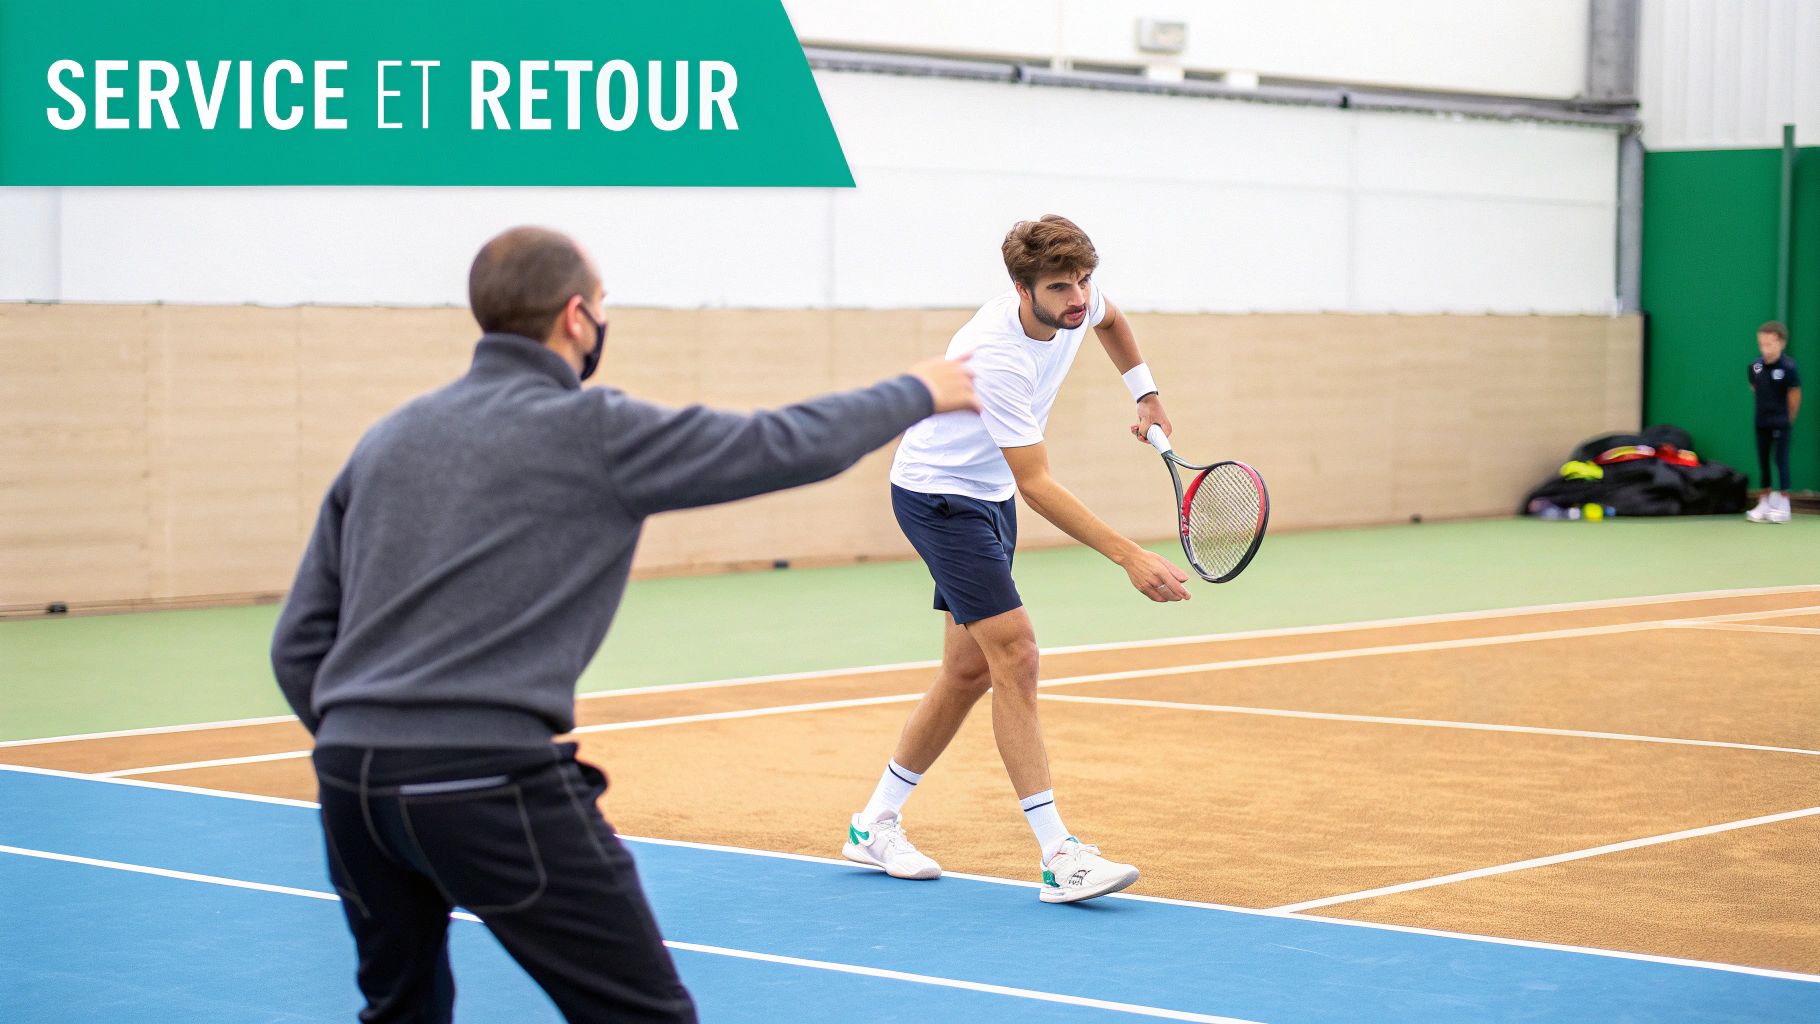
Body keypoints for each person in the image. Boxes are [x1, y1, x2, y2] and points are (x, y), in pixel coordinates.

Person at [270, 226, 977, 1023]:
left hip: (350, 786)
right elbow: (781, 444)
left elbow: (297, 645)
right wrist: (917, 391)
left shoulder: (388, 438)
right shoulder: (593, 429)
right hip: (484, 781)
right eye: (603, 303)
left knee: (400, 1013)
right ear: (576, 316)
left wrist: (368, 739)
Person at [841, 215, 1190, 904]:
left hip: (987, 493)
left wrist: (1146, 394)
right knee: (1016, 655)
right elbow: (1038, 484)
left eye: (1084, 281)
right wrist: (1127, 556)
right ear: (1022, 289)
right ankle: (1060, 856)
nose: (1078, 298)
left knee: (967, 670)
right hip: (941, 497)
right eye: (1060, 287)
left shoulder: (1079, 304)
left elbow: (1113, 322)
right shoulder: (995, 355)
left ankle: (873, 824)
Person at [1745, 320, 1801, 523]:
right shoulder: (1755, 366)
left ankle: (1784, 505)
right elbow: (1755, 387)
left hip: (1781, 422)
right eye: (1761, 344)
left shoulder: (1788, 367)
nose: (1765, 349)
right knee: (1763, 462)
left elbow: (1794, 395)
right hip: (1761, 422)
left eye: (1769, 344)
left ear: (1781, 343)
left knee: (1780, 460)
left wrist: (1787, 418)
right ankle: (1764, 502)